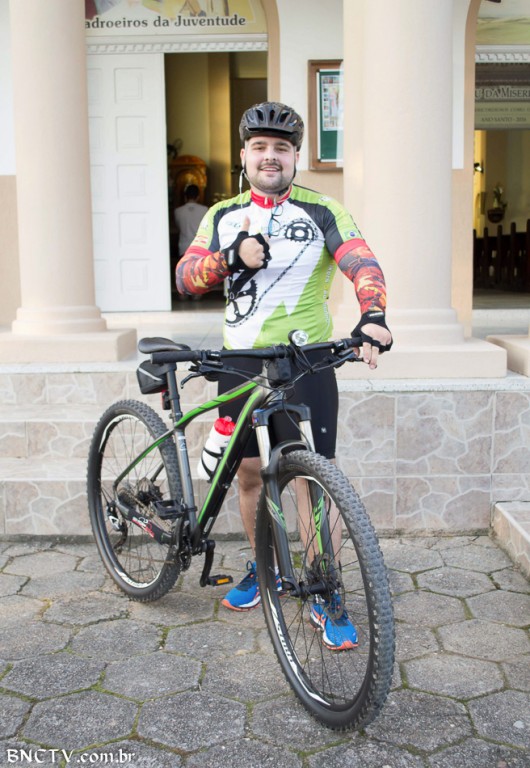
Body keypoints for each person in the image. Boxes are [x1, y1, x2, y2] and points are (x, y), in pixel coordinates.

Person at [176, 102, 392, 650]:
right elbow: (186, 277)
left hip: (306, 363)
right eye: (259, 147)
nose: (270, 156)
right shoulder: (222, 215)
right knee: (250, 474)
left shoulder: (323, 209)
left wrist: (373, 315)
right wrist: (230, 258)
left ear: (295, 156)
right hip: (240, 364)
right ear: (244, 155)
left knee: (311, 482)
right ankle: (264, 567)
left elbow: (361, 261)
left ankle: (324, 588)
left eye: (281, 148)